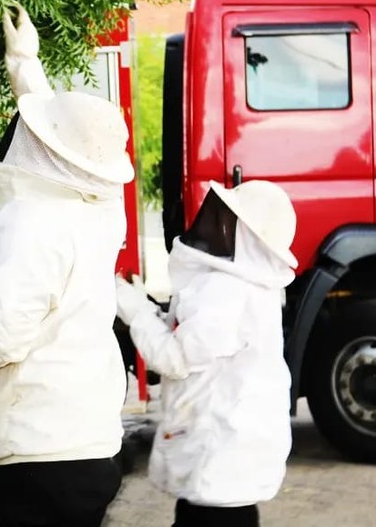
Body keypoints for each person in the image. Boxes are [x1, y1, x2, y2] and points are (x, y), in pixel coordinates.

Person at [0, 4, 134, 527]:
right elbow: (62, 136)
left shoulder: (33, 223)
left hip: (41, 453)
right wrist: (24, 62)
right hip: (87, 442)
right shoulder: (100, 211)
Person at [115, 180, 298, 527]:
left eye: (228, 220)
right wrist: (152, 312)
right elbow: (192, 338)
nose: (217, 226)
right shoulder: (253, 289)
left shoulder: (228, 289)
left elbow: (176, 358)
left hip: (219, 463)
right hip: (229, 467)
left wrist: (135, 310)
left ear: (245, 234)